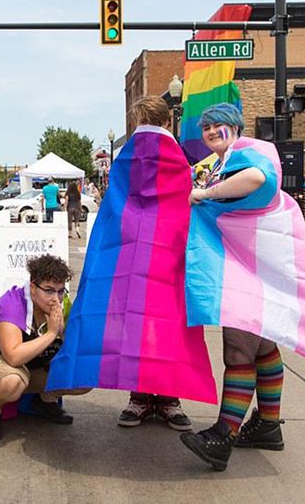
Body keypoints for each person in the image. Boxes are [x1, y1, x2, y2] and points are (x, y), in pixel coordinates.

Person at [181, 103, 305, 471]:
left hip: (251, 264)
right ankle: (268, 426)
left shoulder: (248, 151)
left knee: (239, 347)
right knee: (264, 344)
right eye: (206, 127)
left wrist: (204, 196)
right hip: (256, 262)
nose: (211, 132)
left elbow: (256, 179)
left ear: (235, 127)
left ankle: (223, 435)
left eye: (219, 126)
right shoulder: (223, 161)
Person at [115, 96, 194, 432]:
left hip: (155, 253)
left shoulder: (165, 156)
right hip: (160, 253)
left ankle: (157, 397)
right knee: (162, 326)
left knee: (153, 326)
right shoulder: (138, 155)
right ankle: (152, 398)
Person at [0, 254, 90, 441]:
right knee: (11, 381)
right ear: (33, 288)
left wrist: (63, 334)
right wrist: (51, 333)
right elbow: (13, 356)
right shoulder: (12, 305)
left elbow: (75, 347)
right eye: (48, 291)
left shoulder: (62, 304)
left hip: (34, 364)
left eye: (60, 291)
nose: (55, 298)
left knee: (85, 375)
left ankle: (45, 401)